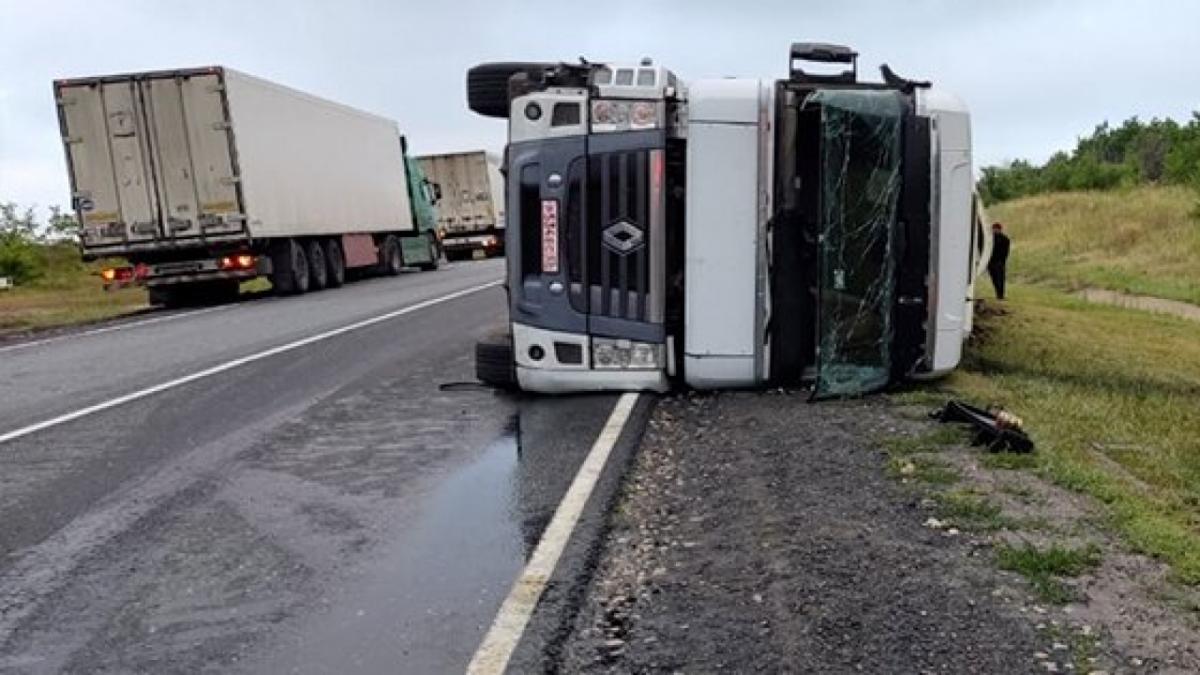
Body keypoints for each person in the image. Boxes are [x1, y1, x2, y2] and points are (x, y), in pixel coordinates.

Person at [988, 222, 1011, 300]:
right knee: (994, 278)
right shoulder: (990, 239)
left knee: (1000, 279)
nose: (994, 230)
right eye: (994, 229)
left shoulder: (1005, 239)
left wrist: (1002, 261)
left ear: (1000, 229)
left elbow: (1006, 252)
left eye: (996, 229)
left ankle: (1000, 294)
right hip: (991, 262)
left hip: (999, 262)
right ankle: (998, 293)